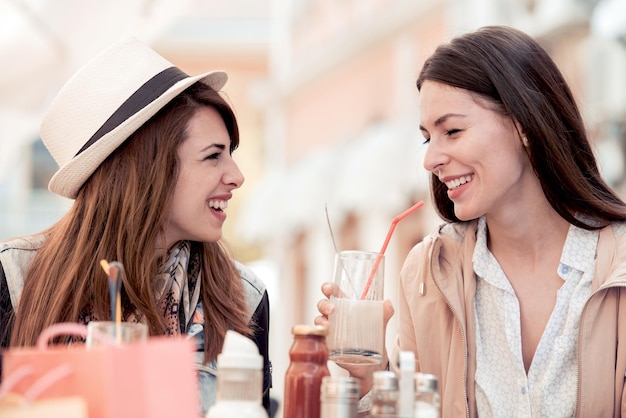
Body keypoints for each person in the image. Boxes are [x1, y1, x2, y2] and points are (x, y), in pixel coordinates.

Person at [316, 25, 626, 417]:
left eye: (453, 131)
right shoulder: (428, 274)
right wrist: (371, 375)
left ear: (525, 126)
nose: (430, 160)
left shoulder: (619, 265)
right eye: (429, 137)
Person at [0, 37, 272, 416]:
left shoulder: (244, 297)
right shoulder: (15, 278)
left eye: (231, 153)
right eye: (213, 156)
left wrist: (354, 381)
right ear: (147, 170)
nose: (237, 176)